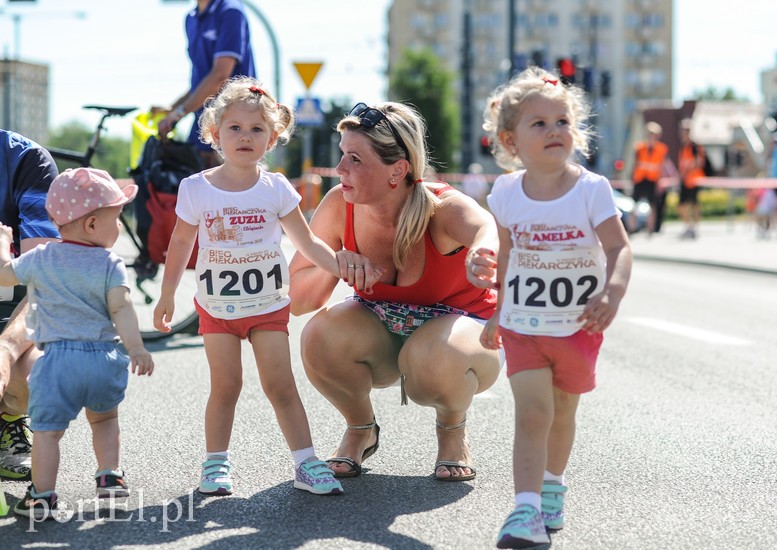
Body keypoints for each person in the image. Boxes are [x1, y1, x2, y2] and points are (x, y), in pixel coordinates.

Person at [152, 77, 381, 497]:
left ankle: (306, 463)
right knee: (226, 386)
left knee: (281, 386)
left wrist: (344, 269)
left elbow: (308, 242)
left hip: (267, 306)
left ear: (272, 137)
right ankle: (216, 465)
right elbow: (181, 243)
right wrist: (167, 294)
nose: (245, 136)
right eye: (235, 128)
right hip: (217, 308)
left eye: (256, 129)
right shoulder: (196, 188)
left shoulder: (275, 188)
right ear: (214, 133)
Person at [288, 101, 501, 483]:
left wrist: (484, 253)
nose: (340, 170)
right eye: (342, 156)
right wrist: (334, 264)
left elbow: (488, 228)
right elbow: (299, 299)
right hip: (384, 333)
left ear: (397, 170)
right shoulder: (340, 204)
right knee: (319, 336)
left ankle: (453, 431)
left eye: (355, 159)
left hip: (461, 338)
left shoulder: (442, 207)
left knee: (433, 358)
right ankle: (360, 428)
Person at [471, 67, 632, 547]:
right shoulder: (504, 193)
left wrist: (612, 293)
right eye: (538, 123)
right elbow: (506, 257)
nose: (553, 130)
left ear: (576, 131)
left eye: (562, 121)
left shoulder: (592, 190)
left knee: (563, 411)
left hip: (579, 325)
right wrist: (496, 306)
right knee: (533, 413)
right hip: (523, 325)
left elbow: (619, 249)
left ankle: (553, 484)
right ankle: (525, 511)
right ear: (511, 140)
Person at [0, 167, 154, 520]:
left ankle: (42, 497)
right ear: (91, 224)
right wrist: (136, 348)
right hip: (103, 359)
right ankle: (109, 475)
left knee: (47, 434)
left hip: (56, 364)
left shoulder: (41, 259)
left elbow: (4, 274)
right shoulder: (111, 264)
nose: (119, 227)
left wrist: (2, 247)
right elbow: (121, 307)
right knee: (104, 421)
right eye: (116, 219)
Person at [0, 130, 61, 482]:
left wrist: (6, 353)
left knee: (40, 373)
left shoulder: (26, 160)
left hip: (14, 320)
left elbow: (46, 278)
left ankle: (7, 418)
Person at [157, 0, 256, 169]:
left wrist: (179, 113)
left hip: (234, 121)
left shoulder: (231, 12)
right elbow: (202, 82)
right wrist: (173, 107)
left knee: (227, 190)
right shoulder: (191, 19)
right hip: (204, 122)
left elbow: (220, 76)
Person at [629, 121, 669, 235]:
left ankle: (650, 229)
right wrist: (633, 177)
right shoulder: (640, 147)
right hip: (640, 178)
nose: (651, 136)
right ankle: (632, 228)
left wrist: (660, 181)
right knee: (634, 204)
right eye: (649, 134)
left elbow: (662, 166)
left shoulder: (662, 149)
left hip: (652, 179)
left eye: (654, 134)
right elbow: (636, 163)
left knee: (653, 205)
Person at [677, 119, 706, 240]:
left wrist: (688, 170)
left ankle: (695, 228)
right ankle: (688, 226)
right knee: (682, 205)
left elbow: (699, 161)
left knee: (694, 204)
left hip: (693, 180)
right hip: (684, 179)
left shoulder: (695, 146)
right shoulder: (683, 146)